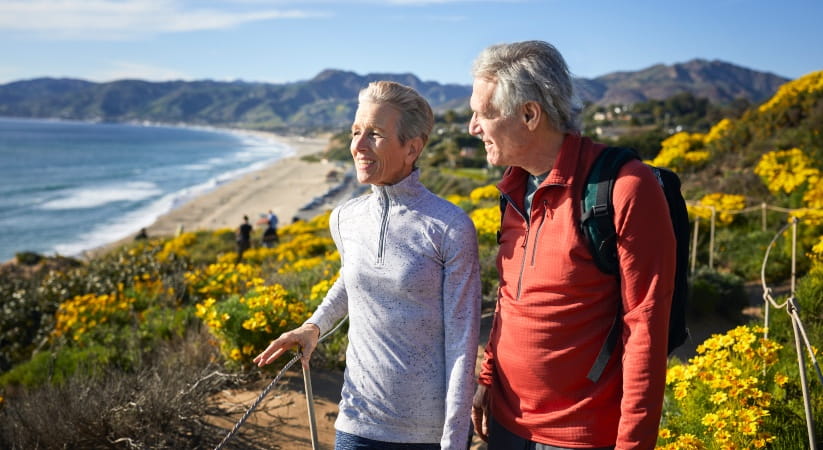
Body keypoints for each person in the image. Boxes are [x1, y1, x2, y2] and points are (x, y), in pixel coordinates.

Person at [468, 41, 676, 449]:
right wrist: (488, 379)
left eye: (483, 114)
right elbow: (510, 299)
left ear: (530, 114)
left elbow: (646, 330)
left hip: (581, 437)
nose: (473, 127)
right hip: (506, 427)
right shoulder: (513, 186)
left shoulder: (625, 188)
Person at [254, 81, 481, 449]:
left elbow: (463, 341)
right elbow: (354, 280)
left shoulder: (450, 227)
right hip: (356, 422)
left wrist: (454, 440)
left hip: (425, 434)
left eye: (374, 134)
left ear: (412, 147)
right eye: (356, 132)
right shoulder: (344, 218)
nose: (358, 146)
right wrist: (315, 326)